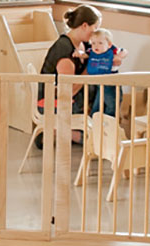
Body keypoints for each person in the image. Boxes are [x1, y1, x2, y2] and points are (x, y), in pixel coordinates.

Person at [35, 4, 102, 148]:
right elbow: (67, 90)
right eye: (94, 28)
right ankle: (63, 131)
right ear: (84, 25)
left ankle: (73, 130)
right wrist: (89, 71)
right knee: (92, 139)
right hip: (54, 101)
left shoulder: (82, 45)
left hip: (69, 100)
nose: (95, 33)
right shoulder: (64, 48)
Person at [73, 28, 128, 116]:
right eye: (93, 43)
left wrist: (118, 56)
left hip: (111, 84)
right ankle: (93, 120)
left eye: (100, 43)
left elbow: (124, 51)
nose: (96, 46)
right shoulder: (92, 52)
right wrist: (78, 53)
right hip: (99, 84)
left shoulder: (111, 52)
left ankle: (109, 121)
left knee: (112, 104)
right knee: (98, 104)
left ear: (109, 44)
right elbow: (84, 54)